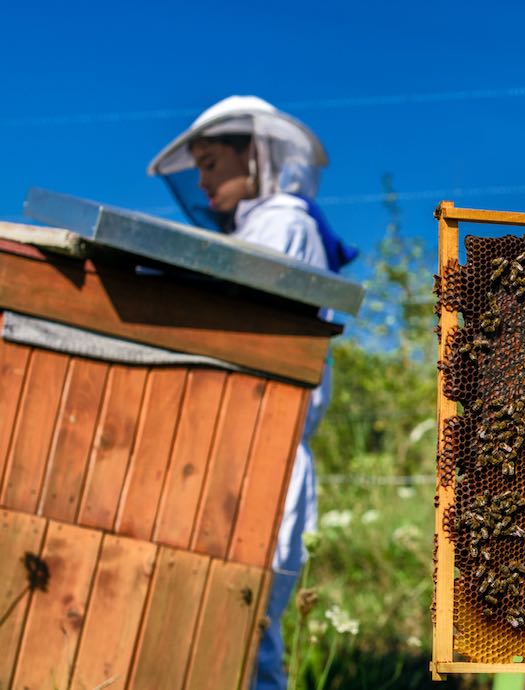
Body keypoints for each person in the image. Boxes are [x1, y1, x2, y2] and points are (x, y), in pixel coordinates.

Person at [148, 95, 357, 690]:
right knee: (227, 628)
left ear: (256, 156)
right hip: (238, 445)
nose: (202, 182)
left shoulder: (285, 224)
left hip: (267, 447)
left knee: (246, 626)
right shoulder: (260, 227)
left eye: (211, 164)